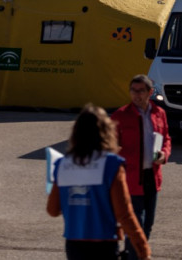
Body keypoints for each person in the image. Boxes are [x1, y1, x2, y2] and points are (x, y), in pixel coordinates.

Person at [47, 104, 151, 260]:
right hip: (103, 245)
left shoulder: (63, 164)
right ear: (106, 132)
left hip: (74, 244)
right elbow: (124, 214)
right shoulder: (111, 164)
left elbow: (53, 210)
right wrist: (143, 250)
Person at [111, 74, 171, 260]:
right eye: (133, 91)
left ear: (150, 92)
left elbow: (166, 138)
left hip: (152, 177)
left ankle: (136, 254)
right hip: (130, 178)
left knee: (147, 225)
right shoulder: (120, 115)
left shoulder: (159, 113)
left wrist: (164, 154)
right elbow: (109, 145)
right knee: (136, 224)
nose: (136, 95)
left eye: (141, 91)